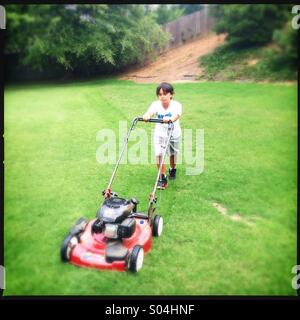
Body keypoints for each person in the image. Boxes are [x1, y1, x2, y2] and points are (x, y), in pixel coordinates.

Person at [142, 82, 182, 189]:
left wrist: (170, 119)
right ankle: (163, 178)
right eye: (160, 94)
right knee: (159, 155)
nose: (162, 96)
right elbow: (150, 112)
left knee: (173, 154)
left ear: (171, 94)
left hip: (174, 134)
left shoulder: (176, 105)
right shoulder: (155, 104)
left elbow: (176, 116)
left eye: (165, 94)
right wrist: (147, 115)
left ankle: (173, 169)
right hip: (159, 134)